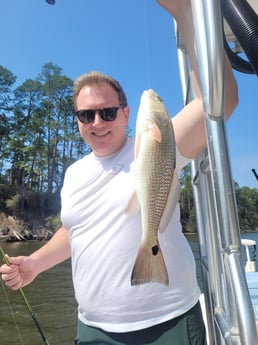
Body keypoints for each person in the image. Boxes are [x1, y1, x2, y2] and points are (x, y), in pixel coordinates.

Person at [0, 0, 238, 344]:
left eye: (107, 112)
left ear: (127, 115)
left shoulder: (156, 144)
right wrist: (35, 263)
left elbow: (222, 100)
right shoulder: (75, 173)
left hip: (167, 324)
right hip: (93, 329)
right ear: (78, 121)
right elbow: (74, 230)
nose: (97, 123)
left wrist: (185, 13)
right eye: (86, 115)